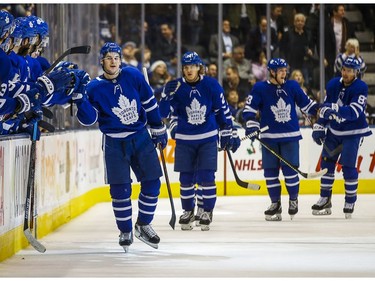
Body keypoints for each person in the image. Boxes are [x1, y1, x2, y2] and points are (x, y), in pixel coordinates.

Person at [74, 42, 168, 252]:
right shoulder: (94, 87)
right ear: (102, 61)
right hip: (114, 141)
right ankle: (125, 230)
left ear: (120, 60)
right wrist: (80, 100)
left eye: (116, 57)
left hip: (141, 136)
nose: (113, 61)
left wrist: (158, 126)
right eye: (109, 57)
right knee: (120, 189)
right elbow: (89, 120)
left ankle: (143, 225)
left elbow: (150, 102)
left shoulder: (133, 75)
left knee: (152, 183)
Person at [158, 51, 240, 231]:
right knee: (186, 179)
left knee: (206, 177)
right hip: (185, 140)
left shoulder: (211, 85)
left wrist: (228, 131)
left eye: (192, 67)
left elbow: (222, 111)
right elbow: (163, 114)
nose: (188, 70)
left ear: (199, 67)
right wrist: (165, 97)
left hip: (207, 138)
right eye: (185, 67)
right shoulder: (176, 87)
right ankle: (188, 211)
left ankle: (206, 211)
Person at [242, 58, 319, 221]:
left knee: (290, 171)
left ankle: (293, 199)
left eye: (285, 70)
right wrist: (251, 124)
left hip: (290, 136)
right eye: (281, 70)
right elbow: (249, 109)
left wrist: (321, 110)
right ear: (271, 72)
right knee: (270, 173)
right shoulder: (260, 88)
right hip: (269, 138)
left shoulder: (292, 86)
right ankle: (275, 203)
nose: (284, 73)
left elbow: (307, 105)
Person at [311, 57, 372, 219]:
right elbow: (325, 108)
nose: (346, 73)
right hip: (334, 131)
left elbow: (354, 112)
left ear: (356, 72)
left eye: (350, 70)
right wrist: (319, 125)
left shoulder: (360, 87)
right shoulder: (333, 84)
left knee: (348, 167)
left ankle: (350, 200)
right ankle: (325, 199)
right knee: (326, 164)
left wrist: (333, 108)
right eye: (344, 69)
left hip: (353, 133)